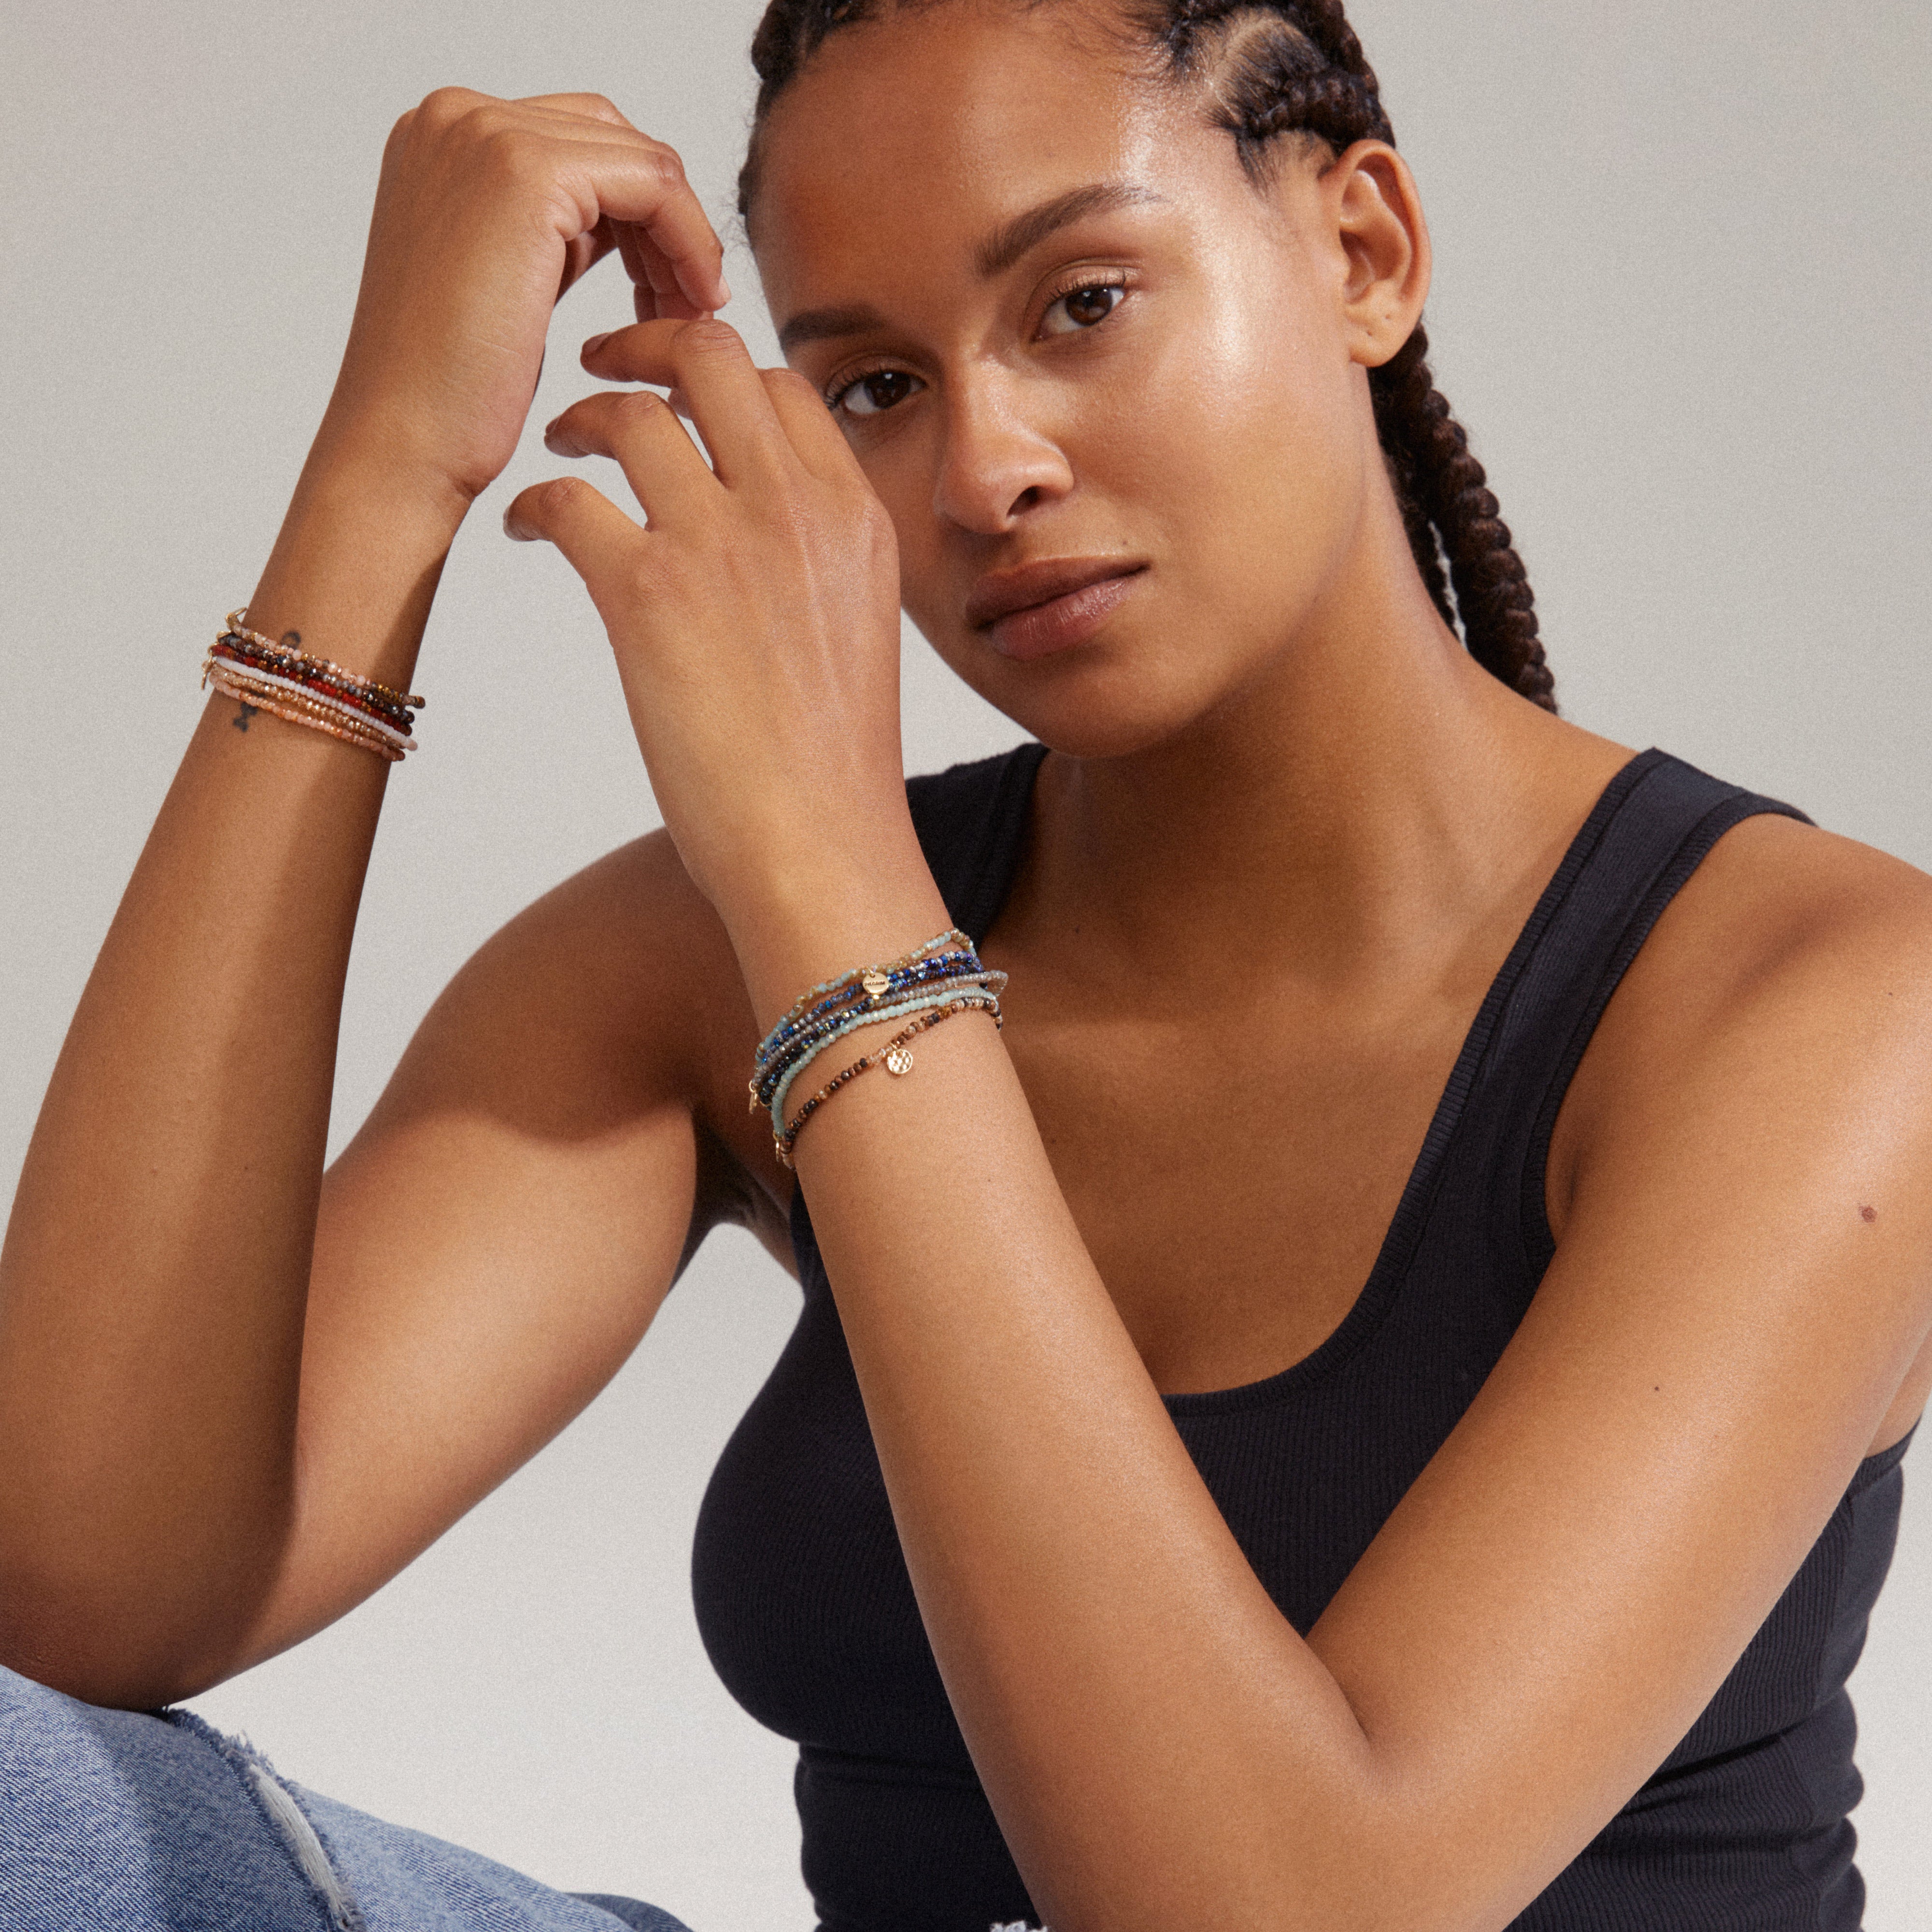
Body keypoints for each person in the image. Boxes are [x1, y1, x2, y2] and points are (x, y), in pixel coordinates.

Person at [0, 0, 1927, 1928]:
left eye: (1081, 303)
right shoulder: (705, 955)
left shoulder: (1824, 1002)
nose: (983, 470)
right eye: (872, 387)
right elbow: (76, 1593)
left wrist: (835, 892)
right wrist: (384, 476)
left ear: (1363, 253)